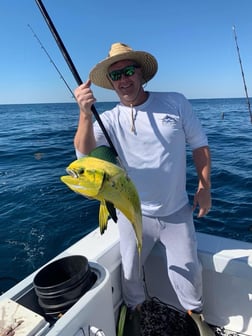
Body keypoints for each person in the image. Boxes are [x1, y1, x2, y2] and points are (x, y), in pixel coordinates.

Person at [73, 42, 213, 335]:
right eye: (116, 76)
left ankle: (197, 320)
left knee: (189, 273)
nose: (124, 80)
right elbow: (84, 153)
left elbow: (199, 144)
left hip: (176, 211)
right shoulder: (108, 119)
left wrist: (204, 185)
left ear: (141, 73)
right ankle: (134, 313)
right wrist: (85, 113)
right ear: (111, 84)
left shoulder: (175, 102)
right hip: (132, 212)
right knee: (129, 273)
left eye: (128, 71)